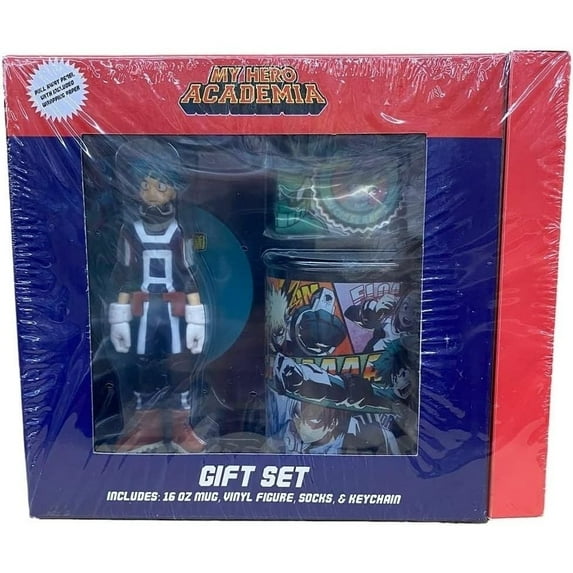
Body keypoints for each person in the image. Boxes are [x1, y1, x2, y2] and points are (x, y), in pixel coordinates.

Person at [108, 139, 207, 453]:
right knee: (144, 365)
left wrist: (197, 320)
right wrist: (119, 318)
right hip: (144, 313)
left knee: (180, 365)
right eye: (145, 185)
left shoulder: (179, 232)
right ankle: (146, 430)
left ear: (173, 191)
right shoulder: (131, 232)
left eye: (160, 186)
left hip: (173, 312)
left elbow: (188, 275)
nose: (152, 192)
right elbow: (125, 276)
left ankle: (180, 428)